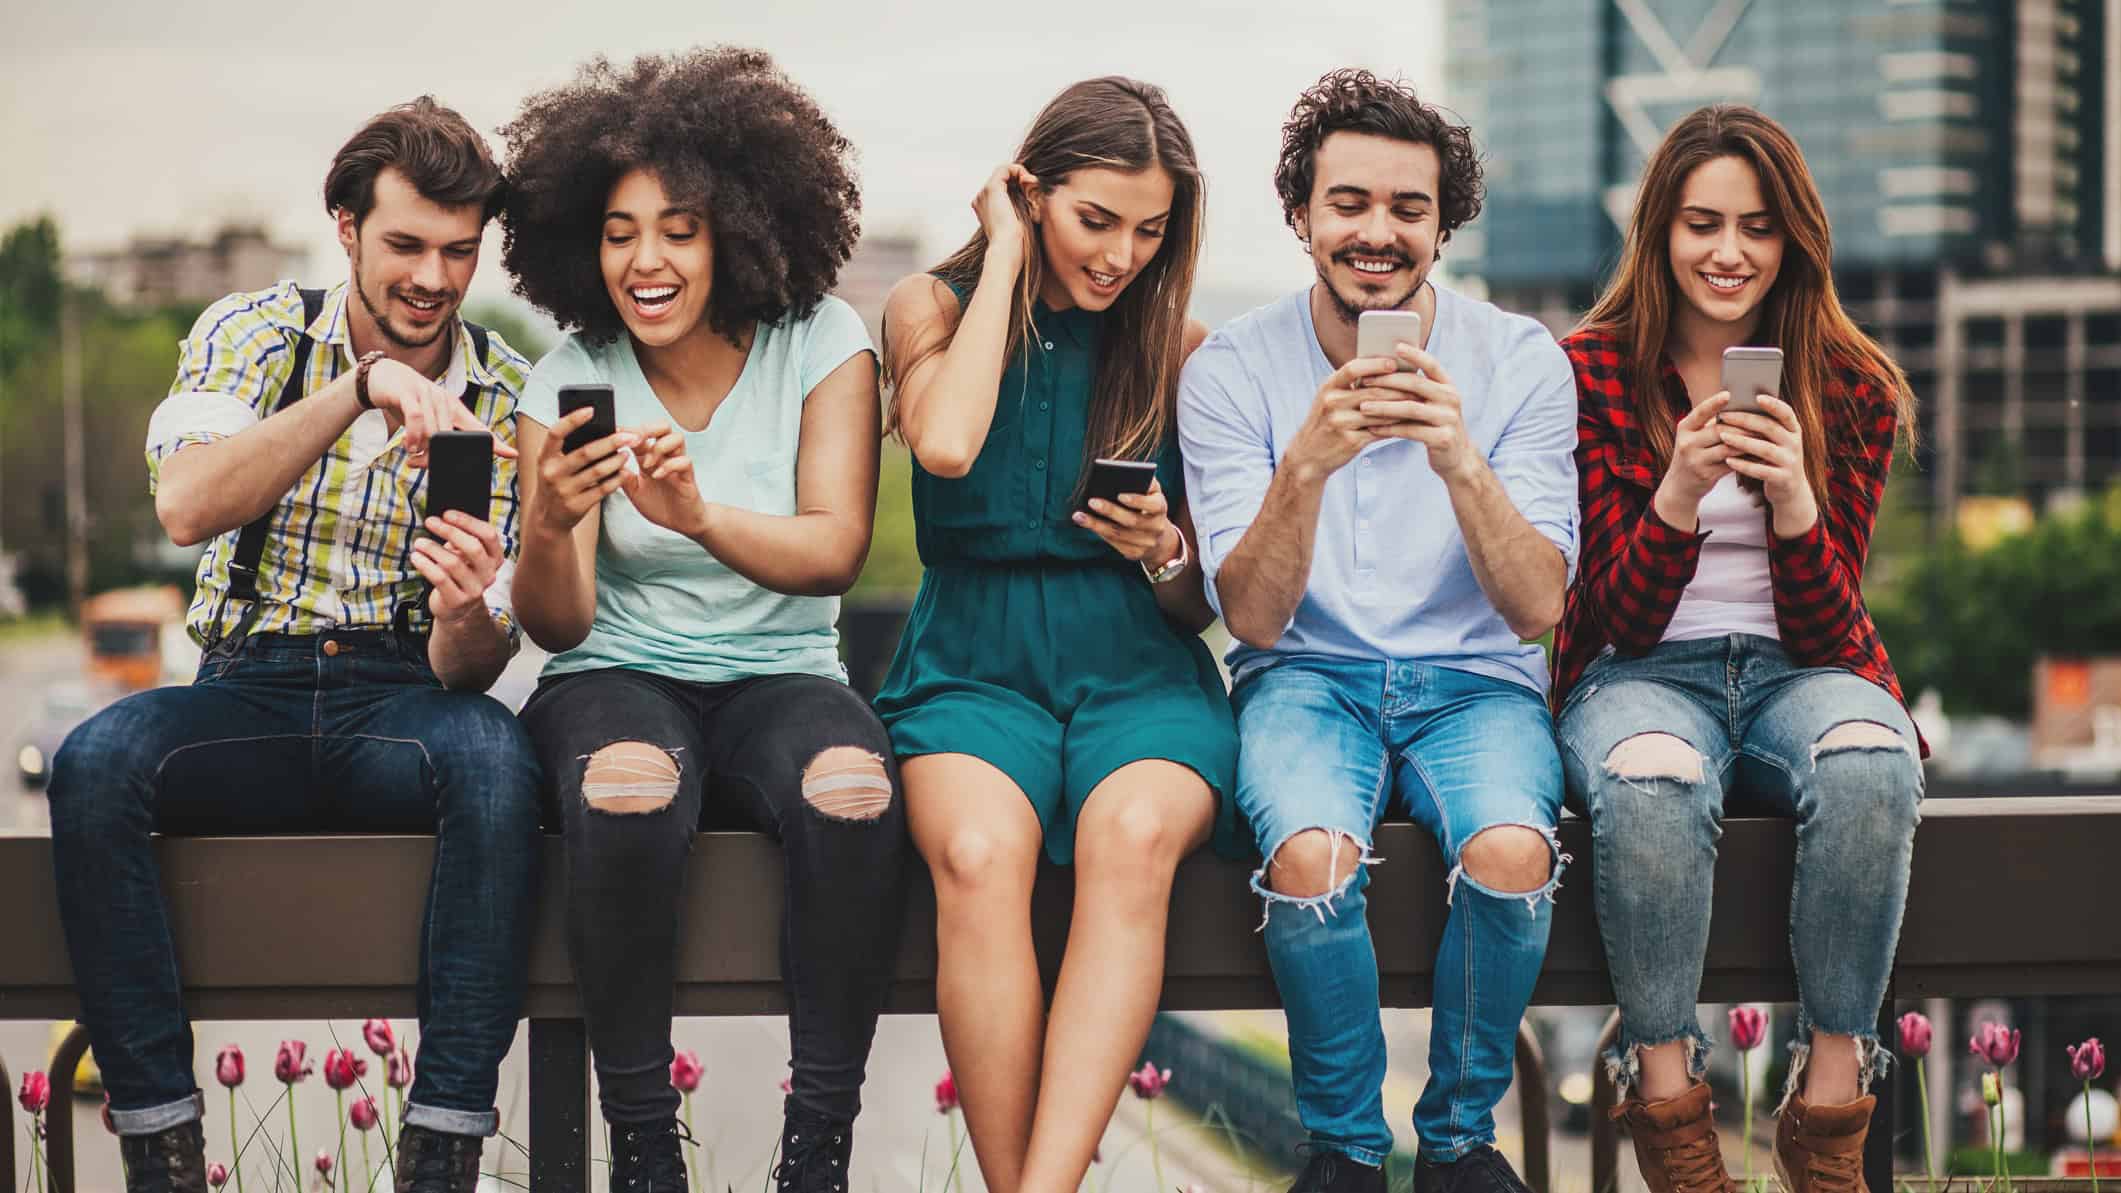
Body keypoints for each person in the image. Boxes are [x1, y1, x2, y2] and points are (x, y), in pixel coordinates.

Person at [47, 97, 540, 1193]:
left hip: (401, 705)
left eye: (460, 252)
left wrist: (467, 610)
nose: (433, 278)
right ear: (346, 226)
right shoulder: (254, 330)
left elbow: (471, 670)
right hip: (244, 694)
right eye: (407, 244)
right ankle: (163, 1150)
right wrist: (358, 388)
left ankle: (442, 1150)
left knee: (500, 760)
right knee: (93, 763)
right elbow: (186, 505)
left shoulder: (508, 393)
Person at [499, 48, 907, 1193]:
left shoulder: (822, 338)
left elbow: (831, 550)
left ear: (738, 226)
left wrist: (695, 512)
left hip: (784, 671)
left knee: (856, 791)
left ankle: (817, 1146)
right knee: (625, 782)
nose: (647, 259)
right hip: (618, 675)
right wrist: (545, 524)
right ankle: (642, 1145)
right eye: (621, 230)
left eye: (678, 228)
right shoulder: (570, 374)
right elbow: (562, 624)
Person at [1177, 69, 1578, 1193]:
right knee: (1309, 861)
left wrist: (1457, 456)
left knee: (1512, 854)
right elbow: (1246, 614)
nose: (1377, 231)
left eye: (1409, 207)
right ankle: (1347, 1148)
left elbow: (1539, 603)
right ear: (1302, 214)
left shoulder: (1522, 363)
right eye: (1348, 202)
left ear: (1444, 227)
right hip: (1304, 676)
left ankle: (1457, 1140)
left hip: (1478, 683)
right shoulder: (1232, 370)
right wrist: (1304, 463)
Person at [871, 76, 1239, 1193]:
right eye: (1094, 219)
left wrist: (1162, 546)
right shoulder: (929, 310)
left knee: (1131, 843)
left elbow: (1198, 603)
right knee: (980, 857)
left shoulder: (1182, 348)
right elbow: (942, 441)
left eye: (1150, 229)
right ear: (1030, 194)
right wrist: (1003, 258)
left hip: (1137, 669)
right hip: (971, 665)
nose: (1122, 252)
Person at [1553, 104, 1925, 1193]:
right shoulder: (1590, 372)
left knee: (1873, 757)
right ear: (1659, 232)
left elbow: (1829, 631)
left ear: (1794, 240)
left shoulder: (1851, 383)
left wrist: (1799, 503)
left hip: (1798, 671)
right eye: (1702, 223)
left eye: (1758, 227)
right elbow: (1613, 617)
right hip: (1637, 673)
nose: (1728, 253)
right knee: (1652, 780)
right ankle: (1670, 1113)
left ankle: (1828, 1116)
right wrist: (1675, 491)